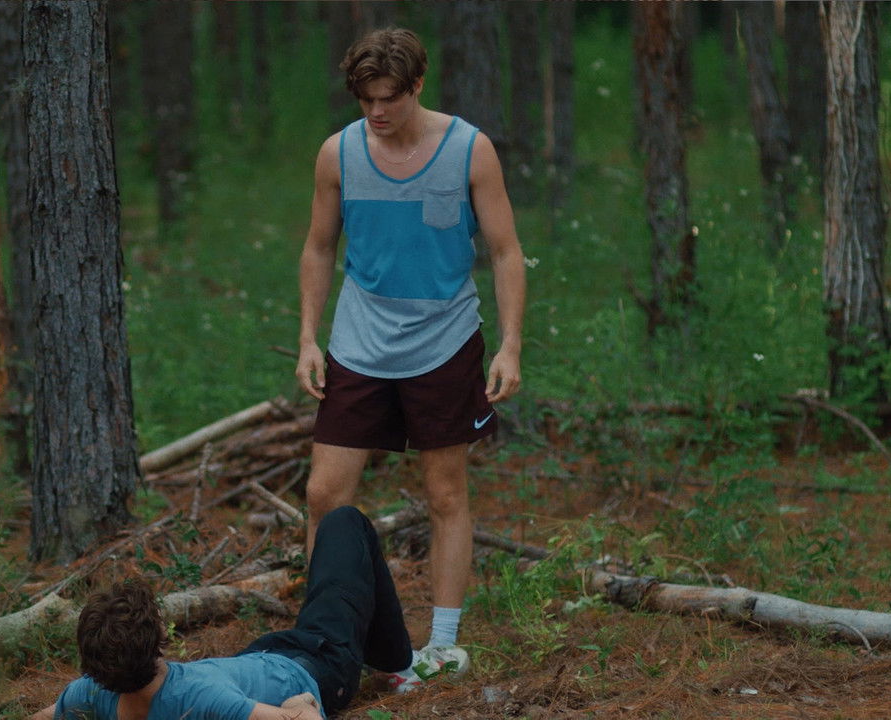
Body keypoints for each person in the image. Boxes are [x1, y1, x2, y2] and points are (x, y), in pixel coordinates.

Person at [295, 27, 526, 692]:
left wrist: (510, 344)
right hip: (360, 340)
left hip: (444, 340)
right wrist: (310, 337)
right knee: (323, 495)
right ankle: (325, 640)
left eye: (388, 97)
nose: (376, 112)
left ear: (416, 86)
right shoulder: (338, 153)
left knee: (445, 493)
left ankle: (443, 643)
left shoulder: (467, 150)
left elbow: (507, 251)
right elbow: (317, 247)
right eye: (366, 98)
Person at [34, 506, 413, 720]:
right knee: (344, 523)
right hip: (322, 664)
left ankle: (385, 651)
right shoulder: (201, 698)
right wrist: (303, 704)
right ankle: (394, 659)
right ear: (160, 643)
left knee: (334, 584)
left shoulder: (93, 695)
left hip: (267, 655)